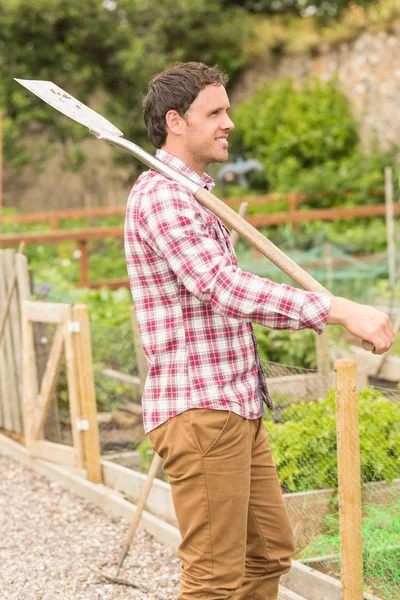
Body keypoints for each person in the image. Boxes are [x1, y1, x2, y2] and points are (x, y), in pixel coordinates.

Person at [124, 62, 394, 600]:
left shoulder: (193, 194)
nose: (229, 122)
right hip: (201, 411)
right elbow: (225, 287)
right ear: (176, 122)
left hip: (235, 407)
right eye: (216, 112)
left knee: (267, 554)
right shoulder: (163, 198)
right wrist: (336, 308)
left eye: (227, 109)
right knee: (213, 579)